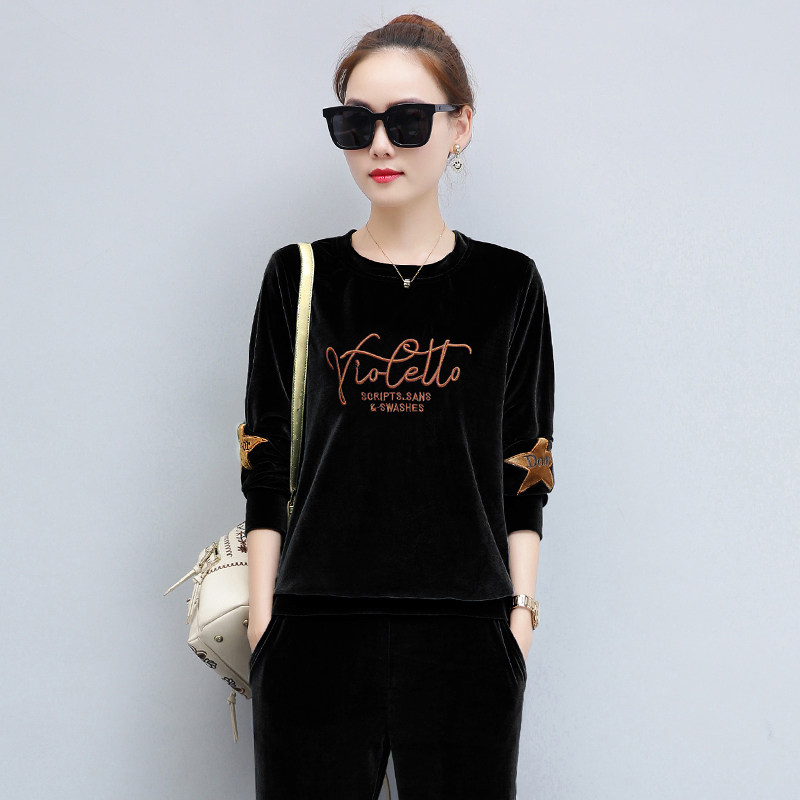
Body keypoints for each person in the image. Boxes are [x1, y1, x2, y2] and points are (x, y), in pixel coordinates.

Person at [240, 13, 555, 800]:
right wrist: (263, 623)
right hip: (313, 628)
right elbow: (264, 465)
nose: (380, 146)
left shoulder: (508, 285)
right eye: (356, 124)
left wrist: (519, 620)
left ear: (460, 126)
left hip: (467, 632)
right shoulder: (298, 278)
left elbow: (527, 466)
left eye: (408, 121)